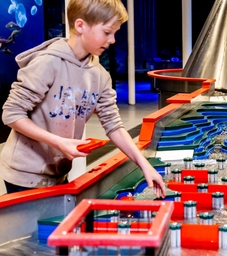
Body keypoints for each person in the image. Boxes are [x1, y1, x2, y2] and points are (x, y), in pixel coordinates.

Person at [0, 0, 166, 198]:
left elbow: (114, 125)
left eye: (115, 33)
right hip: (23, 173)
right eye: (107, 32)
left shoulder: (100, 75)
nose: (112, 40)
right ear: (80, 26)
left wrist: (144, 165)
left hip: (58, 172)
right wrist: (59, 142)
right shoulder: (48, 63)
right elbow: (11, 114)